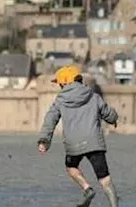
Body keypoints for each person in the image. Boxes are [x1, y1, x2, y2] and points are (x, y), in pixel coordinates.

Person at [37, 66, 120, 207]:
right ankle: (114, 205)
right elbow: (108, 113)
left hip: (73, 143)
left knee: (71, 167)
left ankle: (87, 189)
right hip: (94, 142)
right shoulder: (93, 96)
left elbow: (50, 119)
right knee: (104, 177)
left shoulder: (60, 100)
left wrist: (44, 140)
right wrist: (114, 119)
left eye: (59, 84)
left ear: (64, 83)